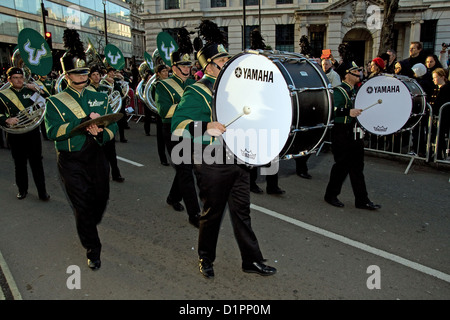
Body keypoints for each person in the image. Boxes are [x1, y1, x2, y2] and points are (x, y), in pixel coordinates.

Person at [171, 20, 276, 279]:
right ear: (209, 65)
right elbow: (179, 125)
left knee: (242, 212)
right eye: (222, 60)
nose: (228, 63)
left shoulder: (234, 88)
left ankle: (251, 260)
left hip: (237, 159)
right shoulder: (197, 91)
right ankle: (205, 258)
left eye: (228, 58)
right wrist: (207, 126)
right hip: (212, 160)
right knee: (212, 213)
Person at [44, 28, 118, 270]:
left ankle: (89, 222)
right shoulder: (55, 102)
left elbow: (111, 129)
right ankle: (92, 248)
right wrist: (82, 124)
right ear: (67, 76)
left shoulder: (101, 96)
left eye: (85, 71)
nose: (83, 76)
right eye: (77, 73)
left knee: (100, 197)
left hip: (95, 153)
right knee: (82, 204)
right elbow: (52, 132)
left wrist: (102, 134)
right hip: (71, 157)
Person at [154, 29, 201, 227]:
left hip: (193, 129)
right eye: (183, 64)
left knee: (186, 168)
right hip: (173, 131)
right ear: (174, 67)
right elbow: (164, 111)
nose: (187, 67)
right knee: (185, 171)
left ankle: (173, 197)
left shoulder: (193, 83)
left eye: (188, 64)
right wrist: (187, 107)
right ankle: (195, 214)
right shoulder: (163, 86)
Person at [324, 62, 381, 210]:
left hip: (355, 133)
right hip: (342, 132)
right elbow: (330, 109)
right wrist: (347, 112)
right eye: (356, 71)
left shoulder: (356, 90)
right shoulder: (339, 91)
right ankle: (330, 195)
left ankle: (362, 200)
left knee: (357, 167)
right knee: (341, 166)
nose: (359, 73)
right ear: (347, 74)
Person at [0, 67, 50, 201]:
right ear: (9, 79)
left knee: (37, 163)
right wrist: (6, 119)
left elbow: (48, 99)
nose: (19, 80)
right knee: (19, 163)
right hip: (15, 133)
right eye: (15, 78)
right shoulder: (2, 94)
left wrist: (37, 89)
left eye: (21, 77)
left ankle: (42, 192)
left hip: (32, 131)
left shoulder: (30, 90)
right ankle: (22, 190)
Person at [89, 65, 125, 182]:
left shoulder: (105, 87)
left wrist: (115, 83)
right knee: (98, 154)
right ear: (90, 77)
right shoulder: (87, 91)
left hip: (107, 123)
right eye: (93, 75)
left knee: (112, 152)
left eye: (98, 74)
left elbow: (119, 94)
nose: (96, 77)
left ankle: (116, 173)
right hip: (94, 125)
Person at [149, 64, 169, 166]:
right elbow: (152, 98)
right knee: (161, 137)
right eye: (163, 72)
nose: (166, 73)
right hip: (161, 113)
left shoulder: (171, 83)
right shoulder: (156, 85)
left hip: (171, 113)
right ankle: (163, 158)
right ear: (158, 74)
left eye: (166, 71)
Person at [430, 68, 450, 159]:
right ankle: (437, 154)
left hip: (444, 117)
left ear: (442, 77)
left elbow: (439, 103)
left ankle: (440, 155)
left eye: (435, 77)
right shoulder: (436, 88)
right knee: (437, 136)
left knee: (440, 135)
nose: (433, 79)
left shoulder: (446, 88)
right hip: (437, 116)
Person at [104, 67, 128, 142]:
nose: (112, 74)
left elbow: (121, 91)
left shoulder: (116, 80)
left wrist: (122, 78)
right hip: (108, 105)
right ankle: (112, 136)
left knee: (120, 120)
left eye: (113, 72)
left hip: (117, 104)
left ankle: (122, 137)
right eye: (110, 72)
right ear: (107, 73)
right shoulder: (103, 82)